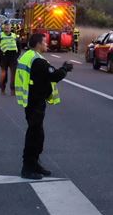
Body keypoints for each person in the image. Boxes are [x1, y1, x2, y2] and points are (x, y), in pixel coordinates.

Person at [14, 33, 73, 180]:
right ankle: (27, 168)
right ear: (38, 44)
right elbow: (54, 75)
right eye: (45, 42)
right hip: (35, 102)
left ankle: (35, 164)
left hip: (31, 100)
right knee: (34, 136)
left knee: (38, 135)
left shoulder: (28, 55)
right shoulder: (38, 61)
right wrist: (65, 68)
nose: (47, 44)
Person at [0, 23, 20, 95]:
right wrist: (0, 53)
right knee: (4, 74)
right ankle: (2, 88)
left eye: (8, 27)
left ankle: (13, 90)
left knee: (14, 74)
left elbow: (19, 46)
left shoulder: (14, 36)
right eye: (5, 27)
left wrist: (17, 55)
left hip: (13, 58)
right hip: (4, 57)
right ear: (3, 28)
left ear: (11, 28)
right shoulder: (0, 35)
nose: (7, 28)